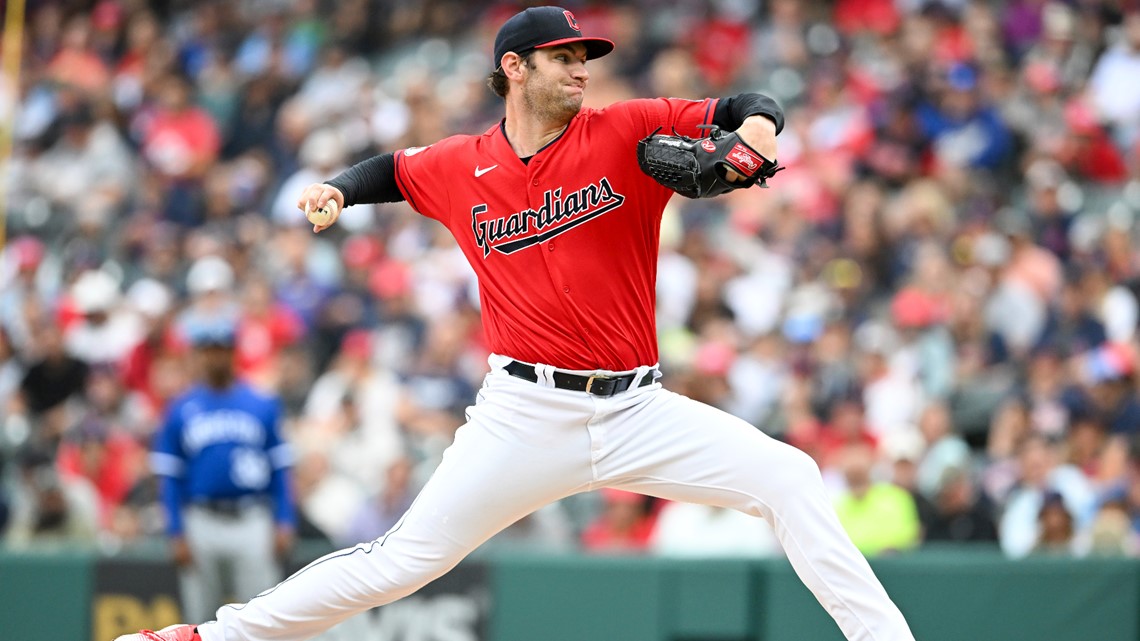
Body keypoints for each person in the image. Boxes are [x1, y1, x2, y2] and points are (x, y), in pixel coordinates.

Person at [117, 7, 915, 641]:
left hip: (638, 407)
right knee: (400, 561)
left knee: (791, 478)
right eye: (564, 58)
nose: (579, 70)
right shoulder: (461, 165)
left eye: (584, 58)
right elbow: (390, 170)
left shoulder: (625, 128)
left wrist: (755, 137)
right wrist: (335, 189)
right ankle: (208, 638)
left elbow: (747, 105)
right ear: (515, 67)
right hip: (523, 413)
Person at [147, 316, 297, 626]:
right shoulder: (180, 407)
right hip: (201, 520)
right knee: (199, 622)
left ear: (233, 352)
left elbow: (280, 470)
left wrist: (284, 519)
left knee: (262, 619)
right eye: (208, 349)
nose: (215, 356)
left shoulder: (261, 403)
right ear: (198, 354)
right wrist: (175, 530)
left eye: (221, 348)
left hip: (252, 517)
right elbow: (171, 479)